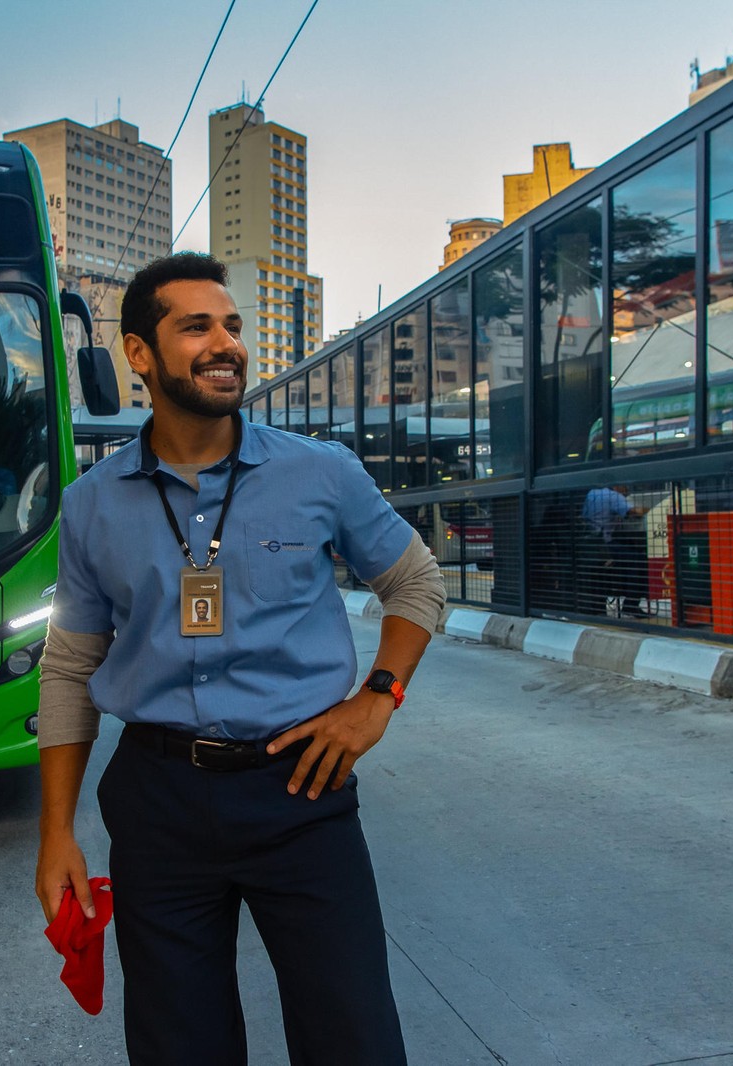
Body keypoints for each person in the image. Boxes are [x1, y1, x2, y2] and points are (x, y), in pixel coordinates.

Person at [35, 252, 445, 1065]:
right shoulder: (90, 507)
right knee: (179, 1046)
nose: (225, 343)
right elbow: (70, 668)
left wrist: (378, 698)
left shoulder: (320, 472)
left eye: (232, 326)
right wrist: (56, 832)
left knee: (354, 1038)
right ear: (140, 355)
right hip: (157, 804)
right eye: (196, 327)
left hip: (300, 791)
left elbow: (416, 581)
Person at [581, 483, 647, 617]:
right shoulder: (613, 496)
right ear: (618, 486)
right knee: (638, 561)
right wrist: (653, 508)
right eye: (626, 488)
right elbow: (634, 512)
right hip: (605, 544)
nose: (627, 492)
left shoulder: (592, 493)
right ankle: (631, 605)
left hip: (591, 544)